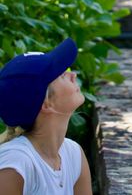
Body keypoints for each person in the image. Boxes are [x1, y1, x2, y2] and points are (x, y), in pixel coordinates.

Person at [0, 38, 92, 195]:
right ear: (46, 103)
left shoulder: (73, 153)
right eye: (62, 75)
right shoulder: (16, 164)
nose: (73, 75)